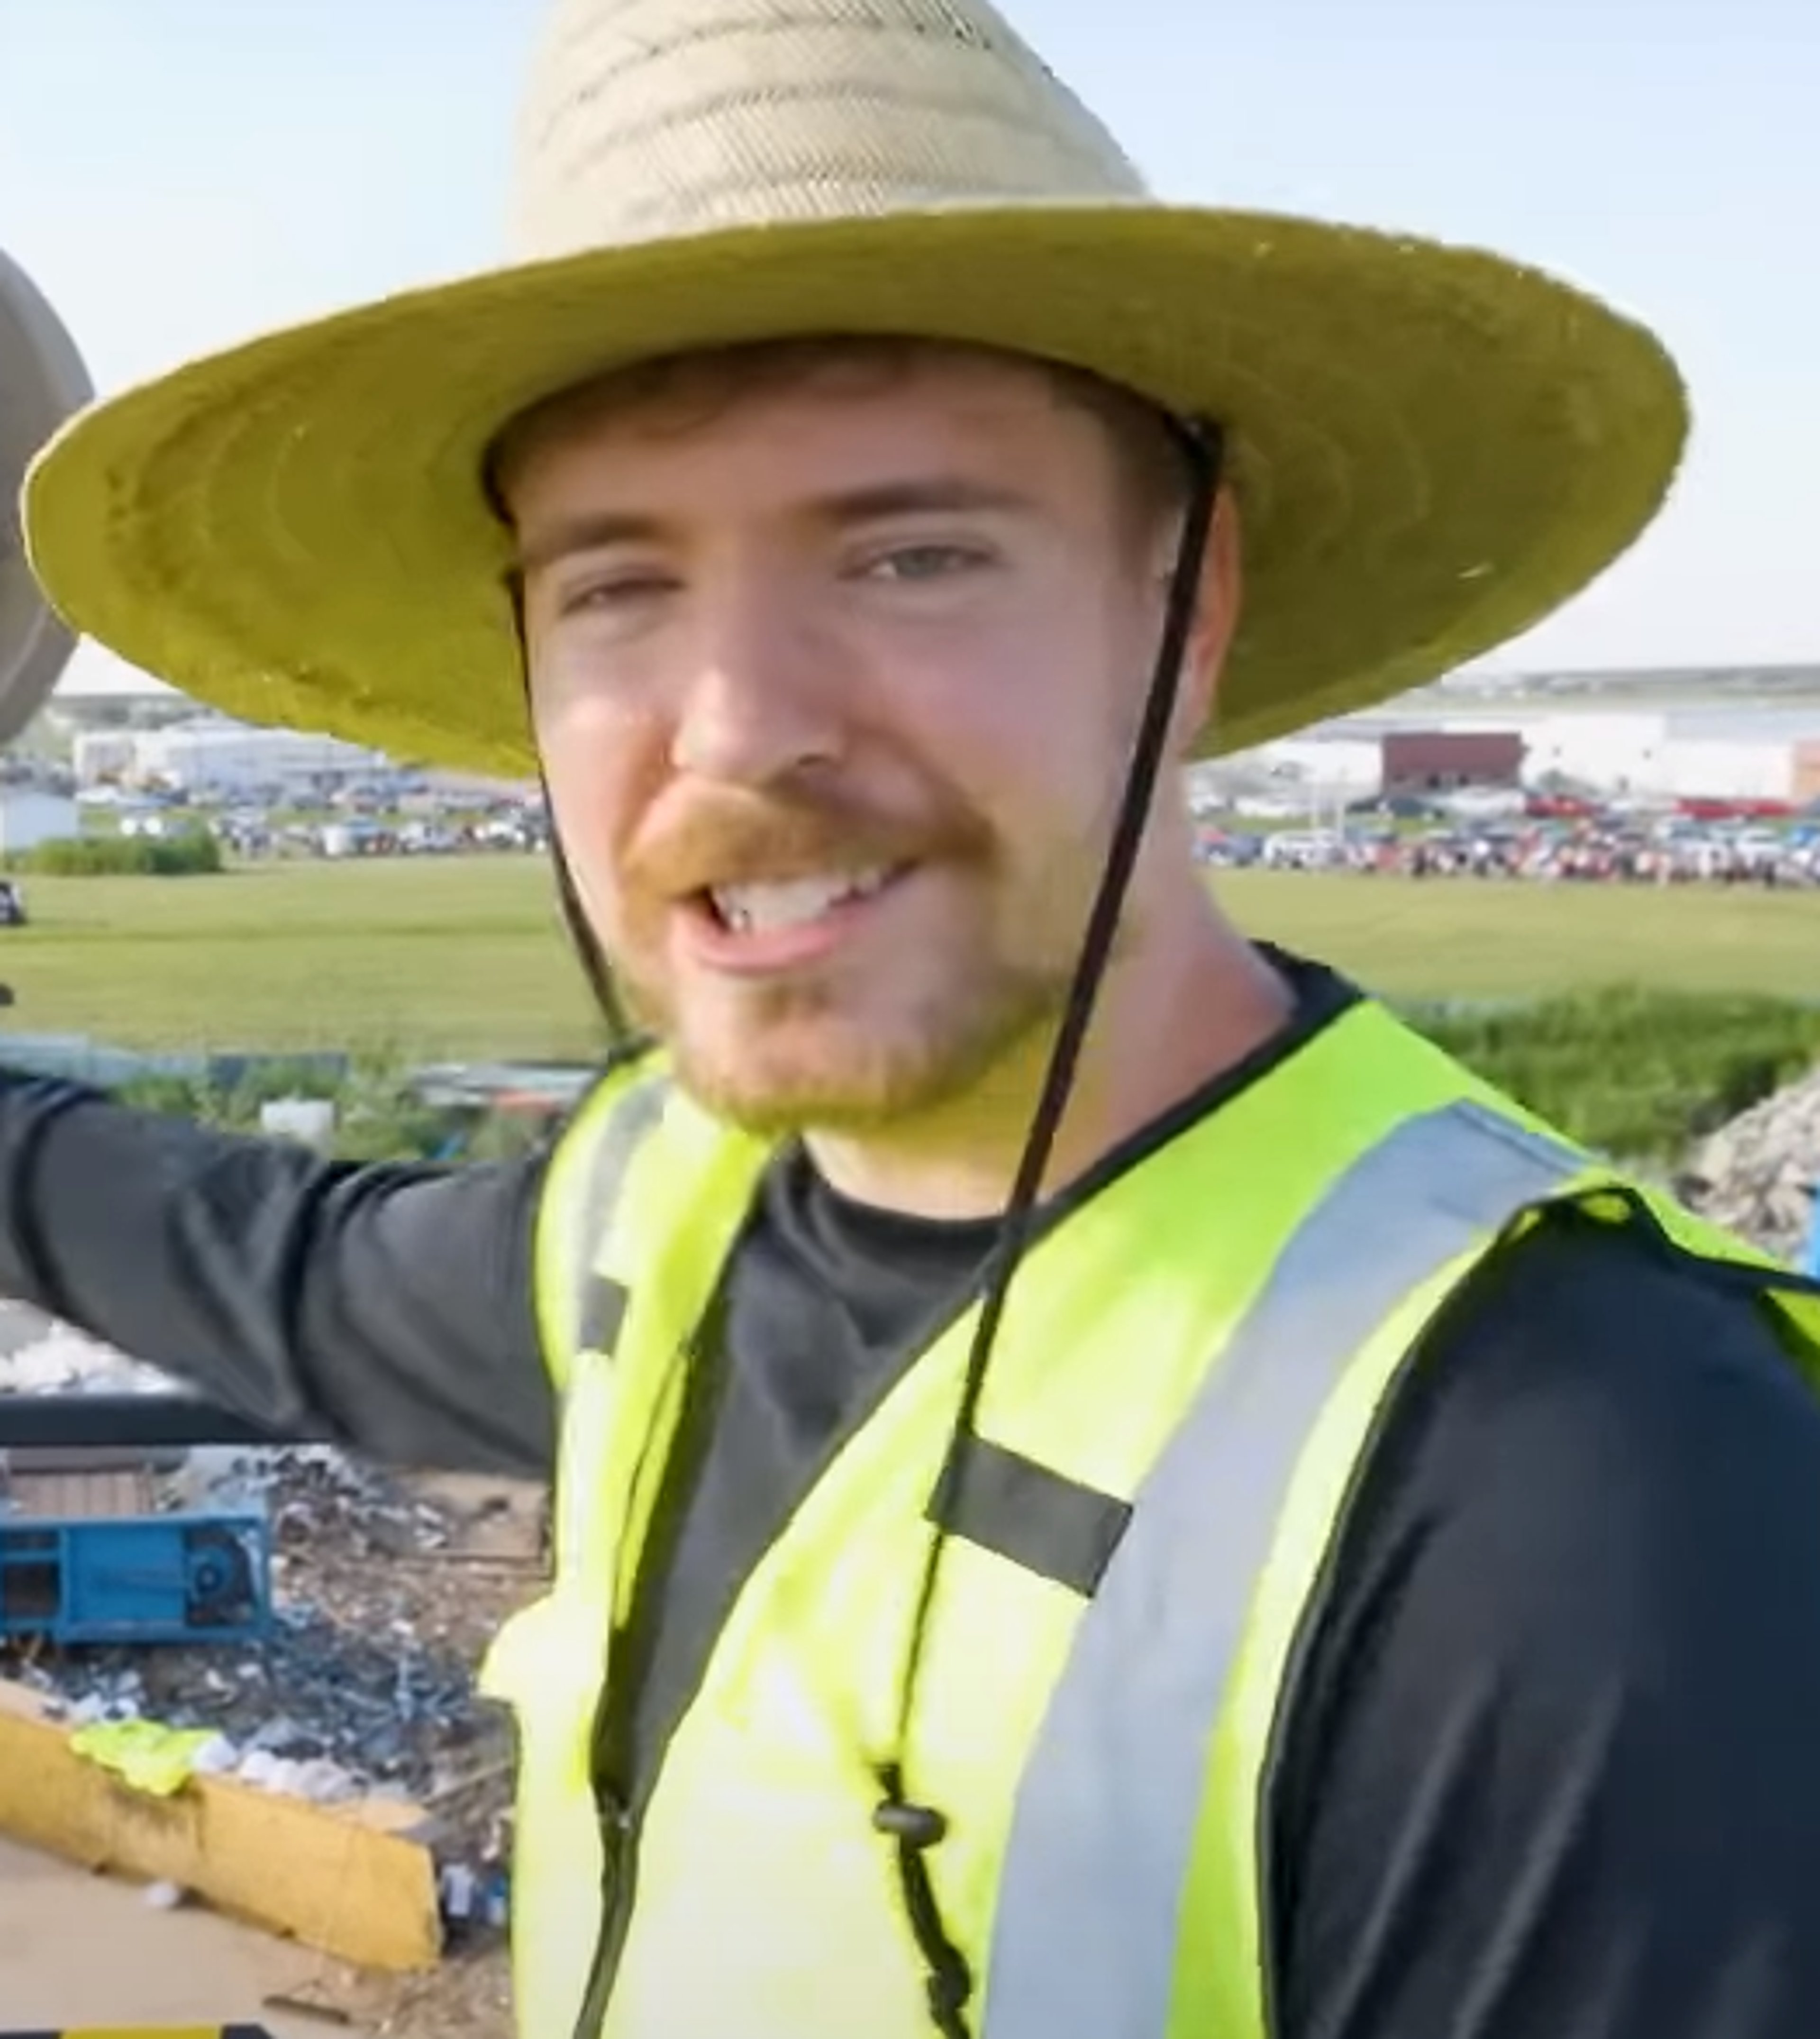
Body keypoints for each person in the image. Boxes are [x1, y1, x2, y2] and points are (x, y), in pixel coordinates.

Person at [14, 2, 1820, 2036]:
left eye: (913, 550)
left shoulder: (1568, 1483)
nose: (742, 725)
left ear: (1188, 603)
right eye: (617, 585)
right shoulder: (657, 1205)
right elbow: (295, 1270)